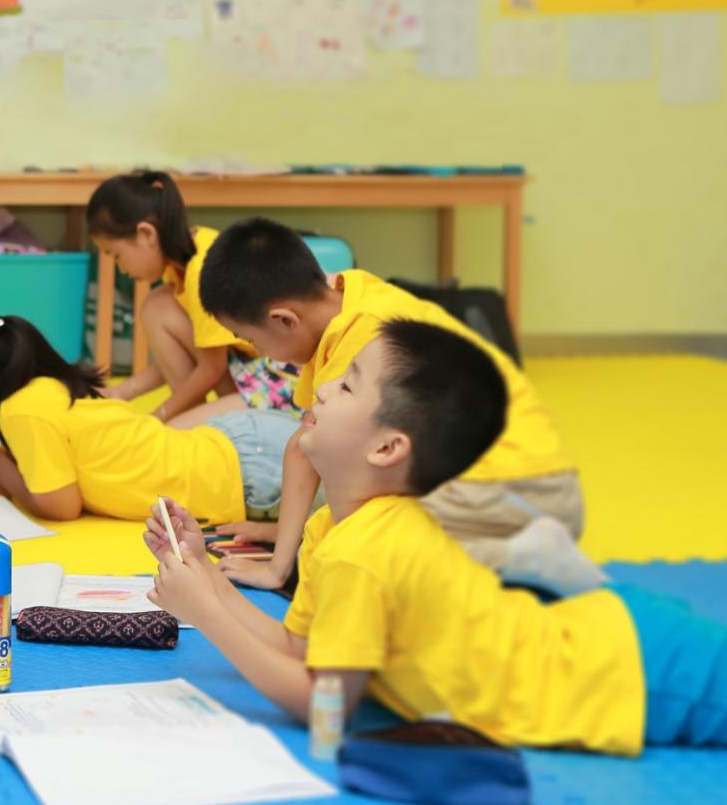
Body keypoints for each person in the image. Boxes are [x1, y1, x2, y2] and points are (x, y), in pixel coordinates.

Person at [147, 319, 727, 756]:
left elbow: (324, 711)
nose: (320, 392)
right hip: (606, 636)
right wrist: (207, 581)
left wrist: (206, 610)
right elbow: (303, 654)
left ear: (386, 448)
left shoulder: (365, 550)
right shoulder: (335, 527)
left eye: (347, 387)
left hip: (635, 671)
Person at [197, 216, 603, 596]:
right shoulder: (346, 292)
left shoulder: (364, 330)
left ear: (284, 319)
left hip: (521, 494)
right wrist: (290, 530)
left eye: (251, 339)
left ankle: (521, 559)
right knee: (332, 517)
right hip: (500, 479)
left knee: (359, 542)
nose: (260, 354)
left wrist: (277, 568)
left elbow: (306, 448)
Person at [0, 300, 301, 527]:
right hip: (236, 446)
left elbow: (59, 504)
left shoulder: (22, 415)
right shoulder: (33, 388)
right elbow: (19, 481)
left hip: (244, 476)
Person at [86, 171, 300, 425]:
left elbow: (211, 368)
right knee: (158, 306)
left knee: (171, 434)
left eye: (117, 255)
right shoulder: (181, 266)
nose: (121, 268)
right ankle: (205, 416)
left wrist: (159, 416)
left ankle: (226, 422)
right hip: (247, 369)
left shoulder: (202, 272)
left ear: (147, 234)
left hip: (279, 380)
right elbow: (193, 355)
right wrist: (122, 392)